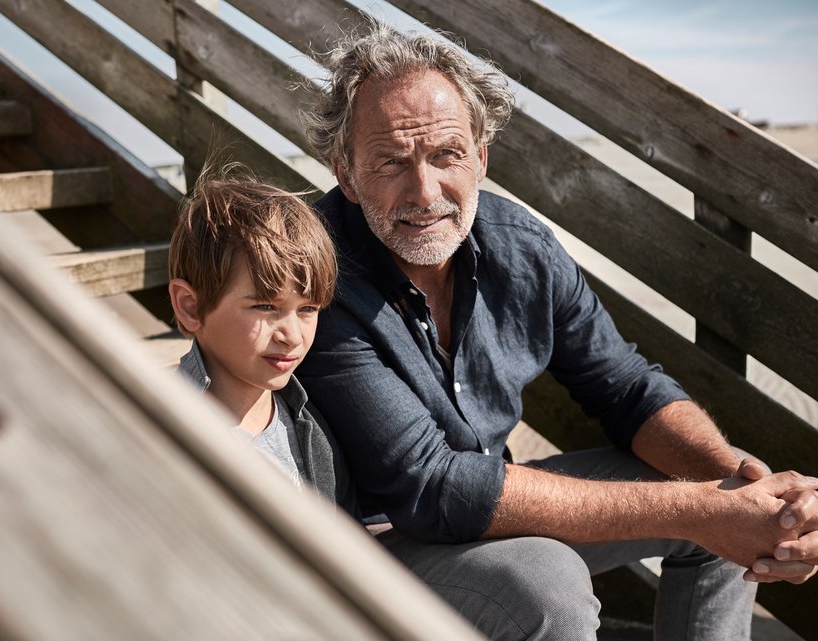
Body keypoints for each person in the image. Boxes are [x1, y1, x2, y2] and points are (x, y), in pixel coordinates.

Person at [297, 21, 818, 640]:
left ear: (482, 158)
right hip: (366, 544)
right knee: (549, 582)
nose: (425, 191)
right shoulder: (313, 270)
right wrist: (701, 510)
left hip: (485, 504)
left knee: (723, 491)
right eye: (390, 162)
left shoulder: (523, 249)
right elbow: (432, 485)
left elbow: (626, 388)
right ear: (346, 174)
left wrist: (748, 491)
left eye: (447, 155)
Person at [167, 173, 356, 515]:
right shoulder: (163, 435)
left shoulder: (313, 428)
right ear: (190, 307)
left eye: (308, 309)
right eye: (266, 307)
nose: (293, 336)